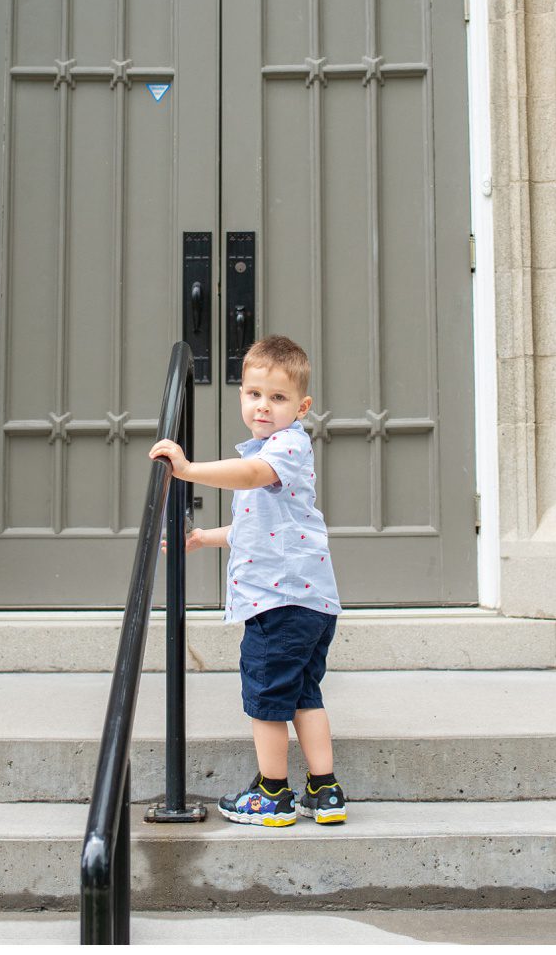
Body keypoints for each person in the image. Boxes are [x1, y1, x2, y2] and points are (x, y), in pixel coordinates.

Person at [150, 333, 348, 828]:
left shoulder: (283, 448)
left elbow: (251, 475)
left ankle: (272, 794)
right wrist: (205, 539)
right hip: (311, 604)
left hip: (277, 605)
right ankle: (324, 791)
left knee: (266, 701)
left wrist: (188, 469)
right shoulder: (280, 448)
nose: (264, 406)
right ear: (241, 396)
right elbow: (260, 528)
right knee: (305, 695)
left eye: (278, 398)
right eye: (254, 394)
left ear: (301, 406)